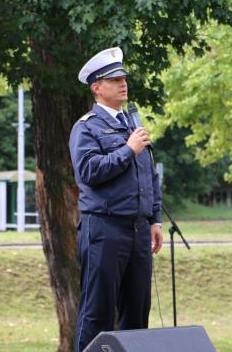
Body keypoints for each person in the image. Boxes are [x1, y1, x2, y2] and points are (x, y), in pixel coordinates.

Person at [69, 46, 164, 351]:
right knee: (97, 312)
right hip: (104, 229)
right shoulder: (86, 127)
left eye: (123, 78)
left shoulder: (132, 125)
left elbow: (149, 176)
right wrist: (127, 150)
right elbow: (88, 170)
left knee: (137, 313)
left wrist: (154, 219)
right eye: (114, 79)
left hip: (137, 230)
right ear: (97, 87)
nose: (123, 83)